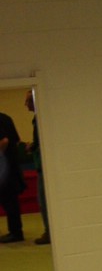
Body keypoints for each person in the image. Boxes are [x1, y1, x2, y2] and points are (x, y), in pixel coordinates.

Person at [25, 89, 50, 245]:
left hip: (42, 167)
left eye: (27, 101)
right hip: (41, 165)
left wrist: (32, 147)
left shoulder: (39, 119)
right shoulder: (41, 118)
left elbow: (41, 143)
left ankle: (49, 232)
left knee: (43, 201)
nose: (25, 105)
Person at [0, 110, 25, 243]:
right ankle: (16, 230)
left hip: (4, 168)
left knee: (8, 201)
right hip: (12, 166)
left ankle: (15, 232)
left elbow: (4, 140)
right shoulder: (6, 117)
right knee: (11, 201)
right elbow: (16, 140)